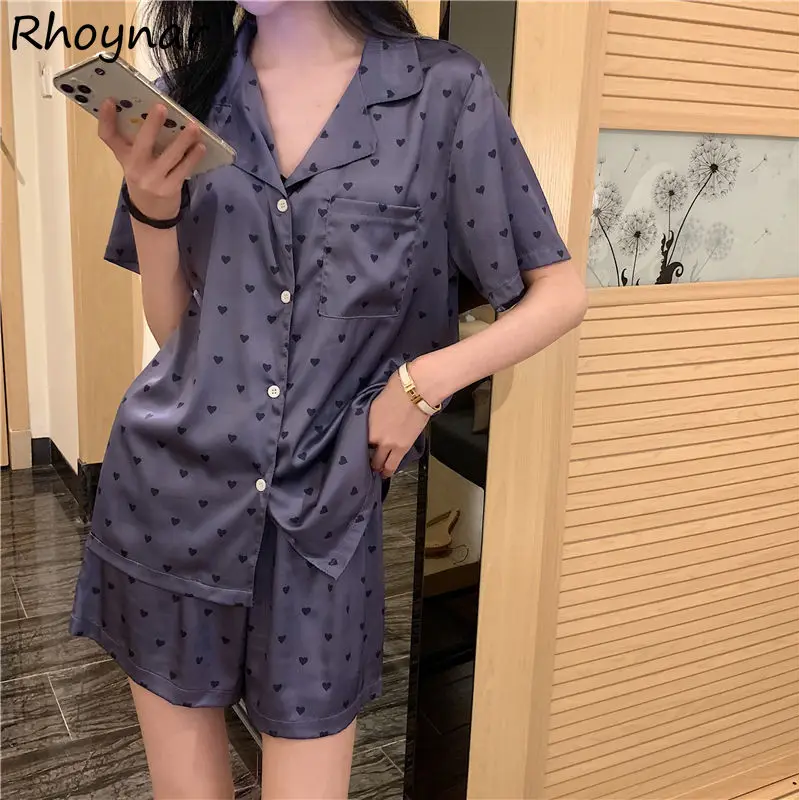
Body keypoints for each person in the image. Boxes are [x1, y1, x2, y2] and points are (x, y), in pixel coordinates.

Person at [69, 1, 587, 797]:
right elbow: (177, 331)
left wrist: (424, 384)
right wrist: (150, 203)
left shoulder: (442, 93)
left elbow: (559, 293)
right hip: (167, 501)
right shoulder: (191, 97)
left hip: (324, 525)